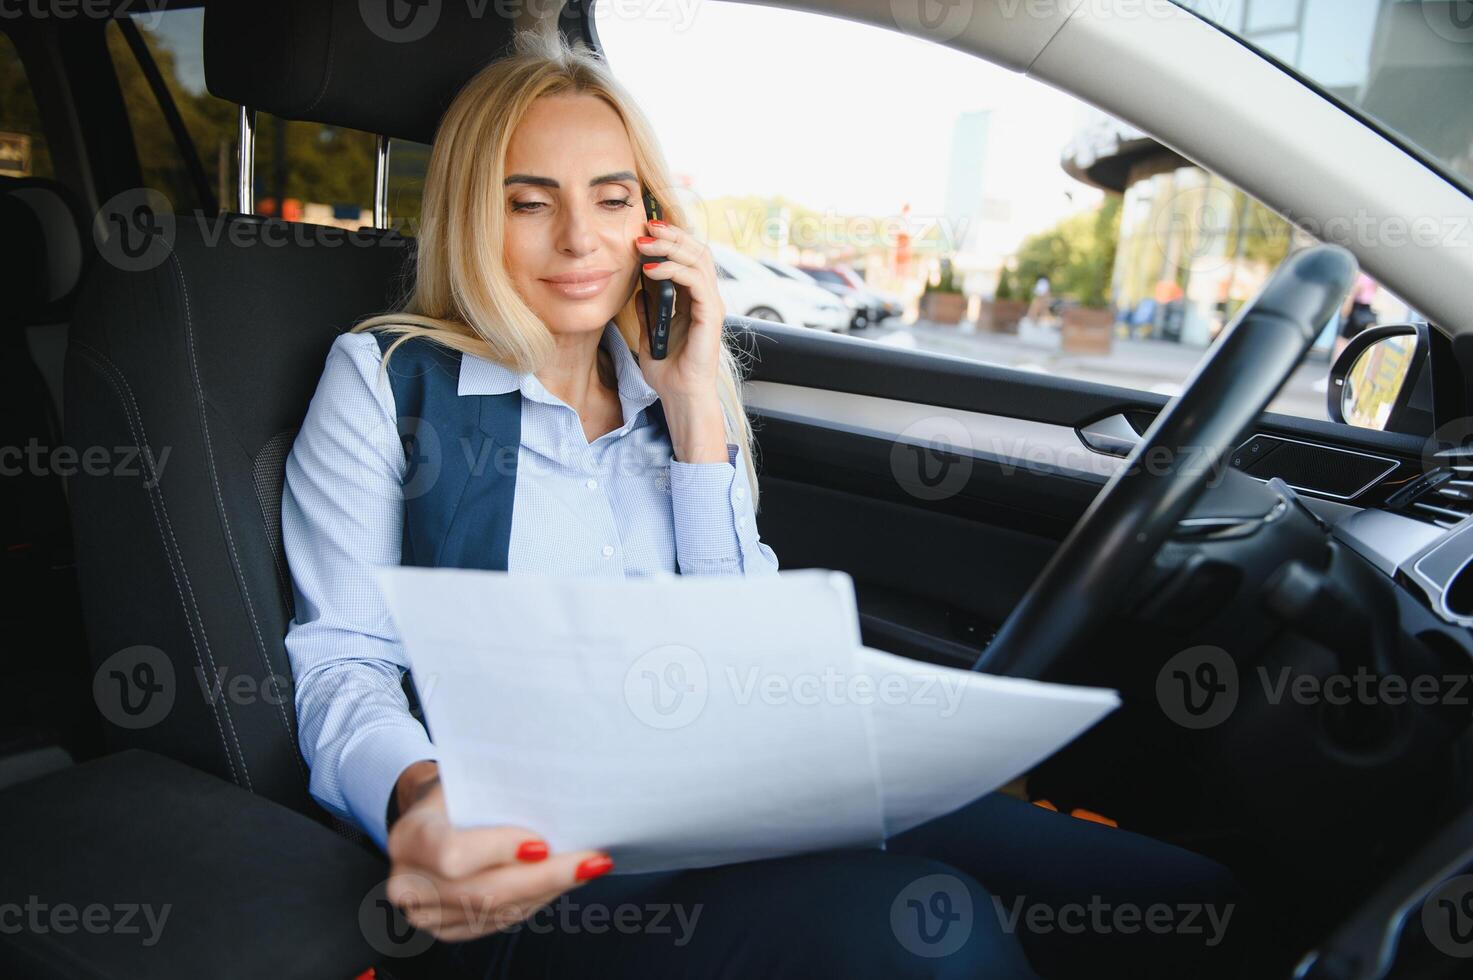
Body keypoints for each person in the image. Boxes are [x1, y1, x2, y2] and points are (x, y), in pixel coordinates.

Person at [281, 27, 1245, 979]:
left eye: (611, 199)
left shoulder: (671, 391)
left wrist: (698, 407)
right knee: (938, 923)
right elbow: (343, 665)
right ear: (470, 219)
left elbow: (749, 647)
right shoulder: (391, 383)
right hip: (555, 864)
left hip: (739, 794)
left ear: (651, 221)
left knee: (1180, 901)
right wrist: (421, 795)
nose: (579, 239)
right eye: (529, 203)